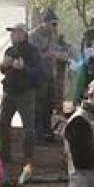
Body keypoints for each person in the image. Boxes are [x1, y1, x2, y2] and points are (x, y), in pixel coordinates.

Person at [0, 23, 46, 165]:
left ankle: (28, 157)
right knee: (3, 124)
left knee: (28, 127)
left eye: (16, 33)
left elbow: (39, 73)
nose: (13, 35)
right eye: (12, 33)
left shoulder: (32, 52)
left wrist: (24, 68)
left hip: (25, 93)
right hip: (9, 91)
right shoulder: (9, 50)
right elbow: (3, 70)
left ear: (24, 35)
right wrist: (3, 65)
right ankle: (4, 155)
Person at [30, 9, 72, 144]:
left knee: (49, 105)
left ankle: (47, 132)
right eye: (52, 24)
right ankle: (37, 134)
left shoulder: (54, 36)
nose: (54, 27)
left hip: (50, 75)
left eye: (56, 24)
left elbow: (59, 50)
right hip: (38, 76)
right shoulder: (34, 36)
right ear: (44, 23)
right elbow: (35, 54)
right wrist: (50, 54)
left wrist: (62, 54)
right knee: (39, 106)